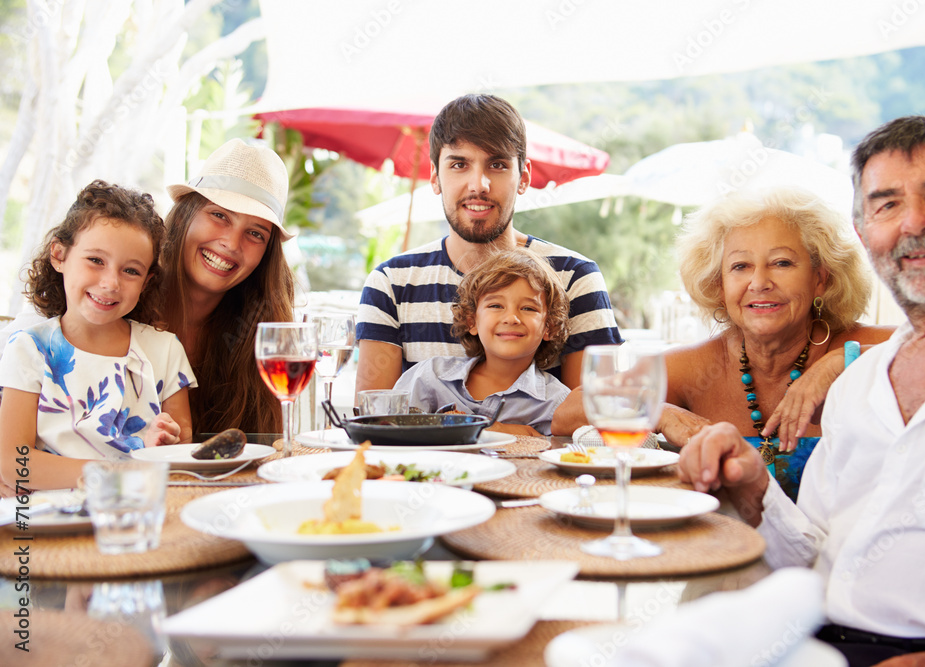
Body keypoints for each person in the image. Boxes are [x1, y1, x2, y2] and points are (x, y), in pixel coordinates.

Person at [677, 116, 925, 666]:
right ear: (864, 232)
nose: (915, 222)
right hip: (813, 642)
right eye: (886, 204)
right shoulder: (862, 384)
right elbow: (809, 552)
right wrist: (756, 486)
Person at [552, 186, 893, 499]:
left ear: (821, 278)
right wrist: (658, 411)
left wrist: (841, 364)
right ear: (719, 285)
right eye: (740, 266)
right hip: (725, 551)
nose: (759, 282)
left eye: (782, 263)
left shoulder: (873, 348)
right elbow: (569, 411)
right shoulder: (698, 365)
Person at [355, 94, 622, 395]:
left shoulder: (575, 278)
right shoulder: (391, 284)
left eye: (497, 164)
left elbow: (596, 421)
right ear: (434, 177)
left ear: (524, 177)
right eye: (459, 164)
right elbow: (373, 422)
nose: (478, 184)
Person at [0, 180, 194, 492]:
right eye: (96, 260)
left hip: (138, 513)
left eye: (130, 271)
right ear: (59, 255)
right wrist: (123, 471)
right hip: (49, 520)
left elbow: (181, 450)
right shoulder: (29, 349)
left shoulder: (165, 350)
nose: (110, 283)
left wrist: (166, 439)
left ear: (147, 282)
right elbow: (14, 464)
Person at [161, 138, 296, 435]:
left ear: (266, 255)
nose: (231, 244)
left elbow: (268, 448)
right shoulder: (121, 302)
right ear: (185, 214)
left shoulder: (259, 336)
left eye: (255, 233)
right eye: (219, 215)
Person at [393, 248, 570, 436]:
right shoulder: (430, 377)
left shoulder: (556, 403)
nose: (511, 318)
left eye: (528, 308)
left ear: (549, 327)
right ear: (472, 321)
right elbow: (389, 432)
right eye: (495, 306)